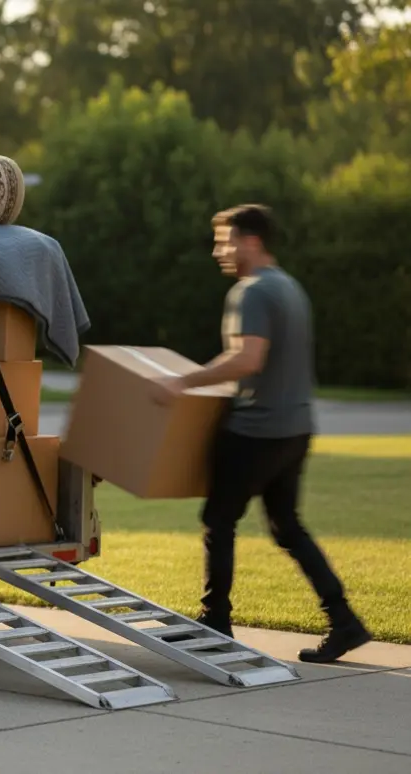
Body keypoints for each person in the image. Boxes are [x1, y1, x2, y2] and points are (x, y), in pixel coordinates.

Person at [150, 204, 371, 663]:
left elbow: (248, 360)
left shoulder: (251, 292)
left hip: (256, 430)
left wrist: (182, 382)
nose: (218, 252)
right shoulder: (290, 288)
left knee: (219, 520)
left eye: (224, 241)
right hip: (295, 430)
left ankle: (215, 620)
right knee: (287, 527)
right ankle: (345, 621)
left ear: (250, 241)